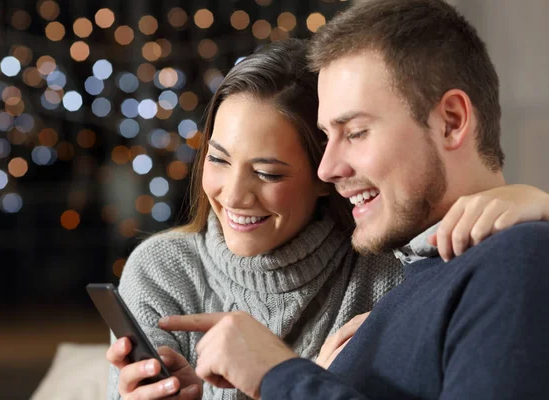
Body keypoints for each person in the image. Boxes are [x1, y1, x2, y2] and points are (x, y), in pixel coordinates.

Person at [106, 37, 549, 399]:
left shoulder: (388, 261)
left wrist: (537, 204)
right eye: (218, 160)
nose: (234, 195)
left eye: (268, 172)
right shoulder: (163, 272)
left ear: (320, 179)